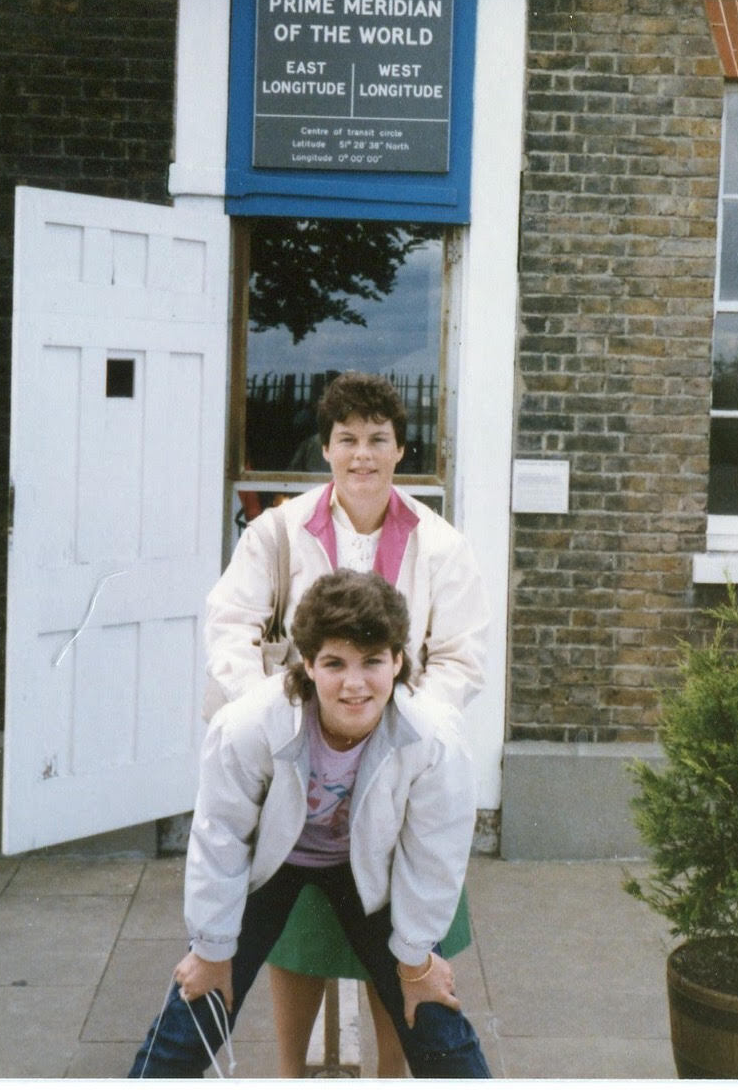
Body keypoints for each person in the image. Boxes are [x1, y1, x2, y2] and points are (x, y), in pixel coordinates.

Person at [204, 371, 490, 1076]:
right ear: (326, 450)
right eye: (347, 439)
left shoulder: (441, 544)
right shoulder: (277, 533)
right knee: (298, 936)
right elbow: (229, 628)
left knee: (400, 929)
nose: (363, 454)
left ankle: (390, 1075)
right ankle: (291, 1074)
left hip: (395, 759)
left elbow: (460, 656)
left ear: (401, 450)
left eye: (378, 440)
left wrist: (401, 719)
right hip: (303, 758)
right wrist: (284, 711)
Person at [129, 570, 491, 1079]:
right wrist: (210, 950)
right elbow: (220, 837)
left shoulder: (433, 737)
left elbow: (435, 854)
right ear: (307, 664)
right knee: (199, 999)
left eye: (372, 662)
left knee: (431, 1010)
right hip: (275, 864)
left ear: (399, 661)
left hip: (367, 868)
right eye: (334, 663)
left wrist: (415, 961)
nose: (354, 683)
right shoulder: (250, 724)